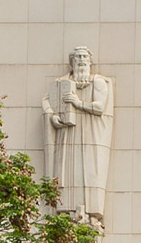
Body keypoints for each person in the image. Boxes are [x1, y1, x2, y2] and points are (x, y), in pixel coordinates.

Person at [43, 46, 114, 231]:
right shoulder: (61, 83)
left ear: (90, 62)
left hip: (91, 134)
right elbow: (47, 103)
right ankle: (65, 213)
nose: (81, 60)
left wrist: (78, 103)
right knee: (66, 171)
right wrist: (52, 116)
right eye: (78, 57)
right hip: (67, 135)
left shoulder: (97, 82)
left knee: (90, 172)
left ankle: (91, 216)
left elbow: (99, 107)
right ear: (72, 62)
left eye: (84, 57)